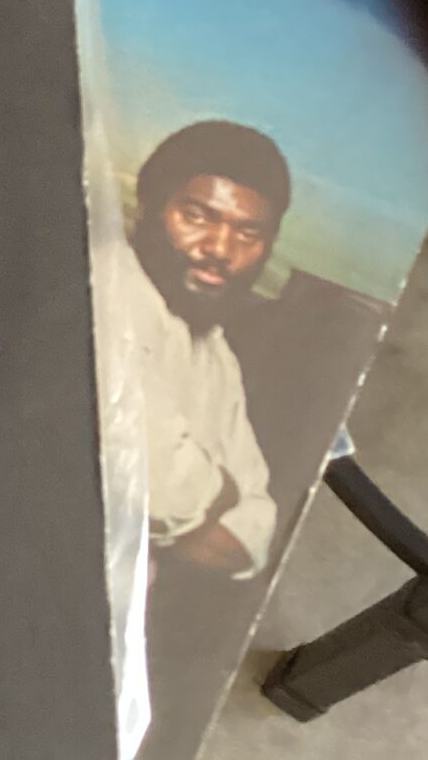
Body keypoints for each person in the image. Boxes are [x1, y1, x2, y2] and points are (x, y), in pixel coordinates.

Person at [102, 119, 291, 587]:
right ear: (148, 207)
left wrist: (192, 498)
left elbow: (256, 536)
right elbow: (159, 491)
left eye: (247, 233)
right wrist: (222, 493)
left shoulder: (216, 354)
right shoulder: (101, 289)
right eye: (198, 217)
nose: (220, 249)